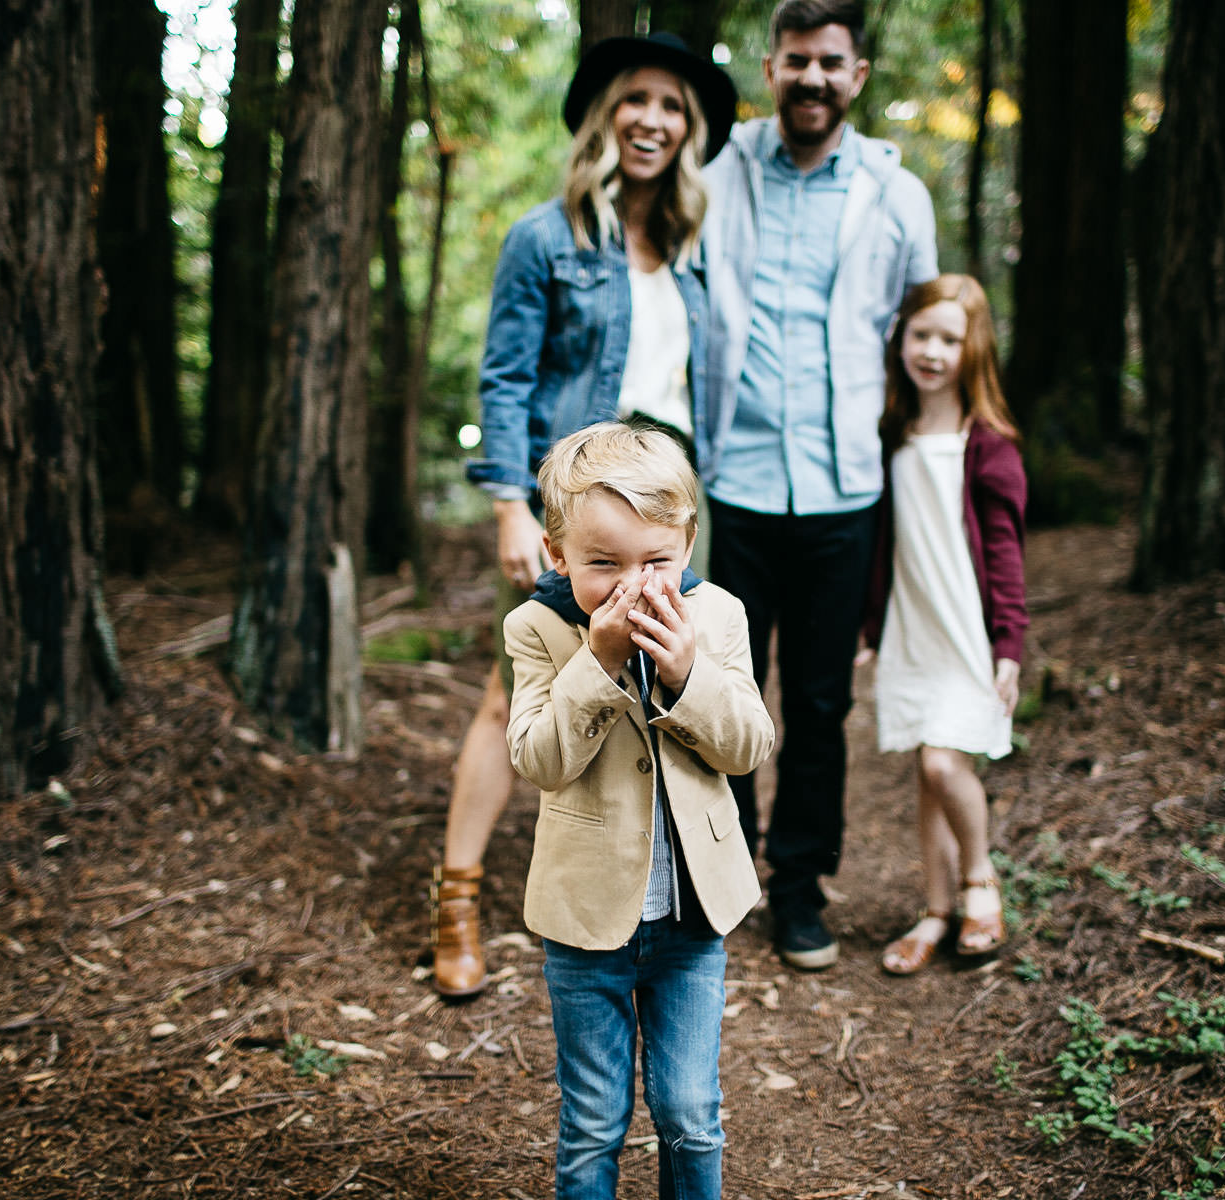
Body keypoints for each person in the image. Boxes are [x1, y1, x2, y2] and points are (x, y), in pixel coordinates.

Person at [430, 34, 737, 999]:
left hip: (667, 505)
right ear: (605, 114)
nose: (653, 119)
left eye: (673, 107)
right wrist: (512, 507)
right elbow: (507, 378)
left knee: (659, 686)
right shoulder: (544, 237)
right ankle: (458, 901)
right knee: (507, 691)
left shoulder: (692, 251)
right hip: (572, 505)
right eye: (637, 99)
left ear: (689, 134)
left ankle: (660, 902)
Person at [698, 0, 938, 969]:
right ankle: (719, 882)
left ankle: (798, 891)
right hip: (733, 485)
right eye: (797, 60)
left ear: (859, 76)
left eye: (832, 63)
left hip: (846, 490)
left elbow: (923, 334)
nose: (814, 78)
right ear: (770, 68)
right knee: (724, 696)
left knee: (822, 705)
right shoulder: (715, 176)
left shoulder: (896, 194)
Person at [505, 422, 773, 1200]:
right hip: (585, 923)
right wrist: (600, 660)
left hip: (692, 922)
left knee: (690, 1109)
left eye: (656, 560)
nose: (634, 583)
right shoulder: (537, 629)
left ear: (687, 543)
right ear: (557, 553)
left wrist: (688, 673)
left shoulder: (717, 617)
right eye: (603, 564)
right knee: (593, 1120)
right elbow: (539, 760)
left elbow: (749, 745)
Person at [860, 275, 1028, 972]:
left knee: (943, 759)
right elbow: (882, 544)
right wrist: (869, 632)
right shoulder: (891, 432)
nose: (932, 351)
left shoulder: (987, 444)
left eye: (949, 339)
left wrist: (1009, 647)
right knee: (925, 775)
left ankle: (979, 879)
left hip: (966, 632)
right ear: (902, 339)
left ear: (973, 348)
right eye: (921, 334)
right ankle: (935, 910)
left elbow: (1006, 551)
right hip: (912, 629)